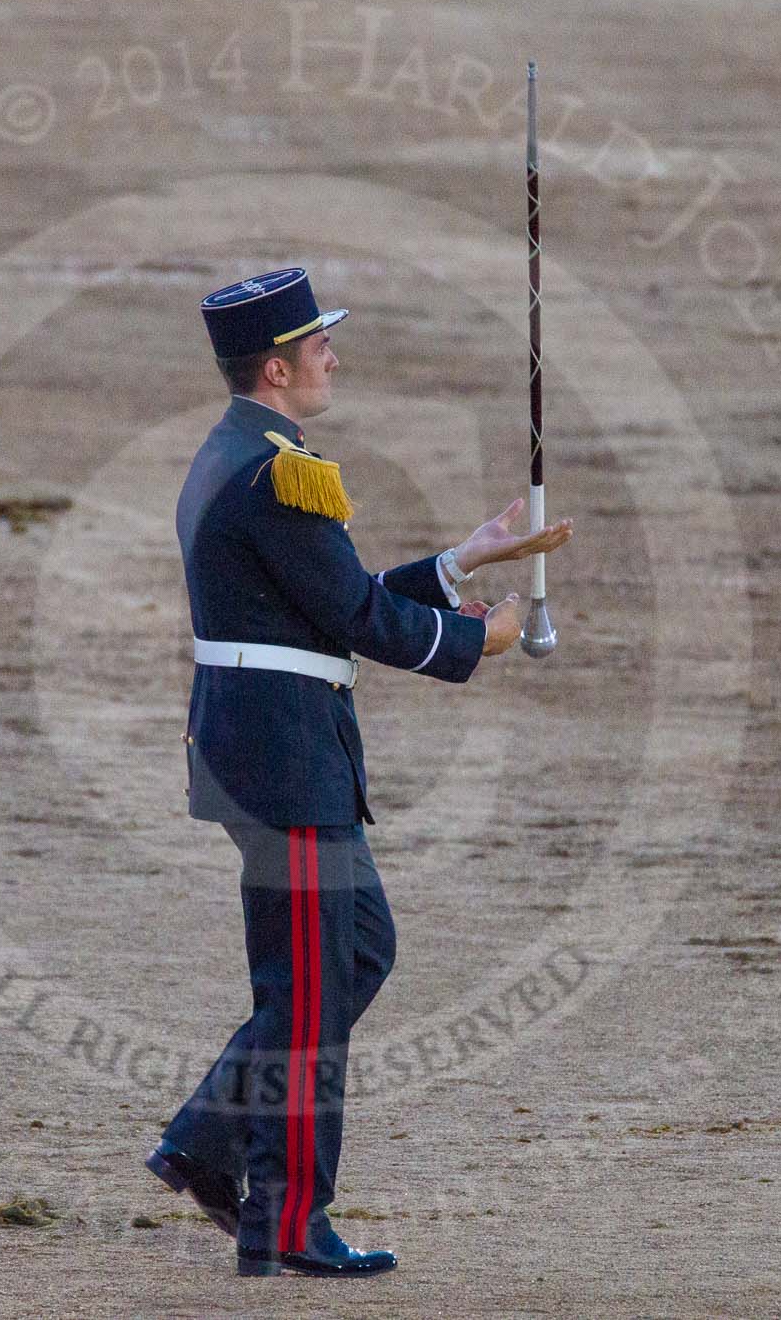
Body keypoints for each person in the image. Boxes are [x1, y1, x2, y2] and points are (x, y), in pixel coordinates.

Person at [143, 267, 574, 1277]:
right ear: (274, 365)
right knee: (306, 996)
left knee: (353, 954)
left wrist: (459, 563)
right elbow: (356, 619)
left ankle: (203, 1141)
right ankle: (286, 1222)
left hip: (269, 752)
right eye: (317, 344)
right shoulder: (271, 471)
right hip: (286, 764)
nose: (332, 356)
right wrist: (484, 644)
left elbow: (326, 595)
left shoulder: (248, 458)